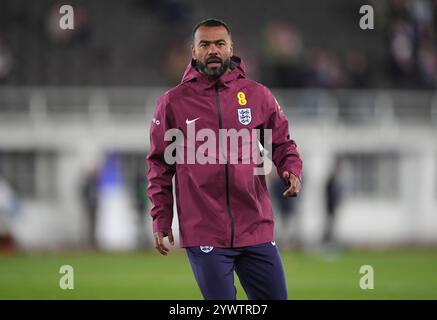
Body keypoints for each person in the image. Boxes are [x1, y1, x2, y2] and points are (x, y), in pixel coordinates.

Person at [146, 19, 303, 300]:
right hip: (204, 231)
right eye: (204, 44)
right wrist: (161, 218)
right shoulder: (173, 103)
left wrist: (290, 168)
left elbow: (281, 143)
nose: (213, 50)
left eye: (219, 43)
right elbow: (159, 165)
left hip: (256, 226)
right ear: (193, 51)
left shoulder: (258, 96)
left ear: (231, 48)